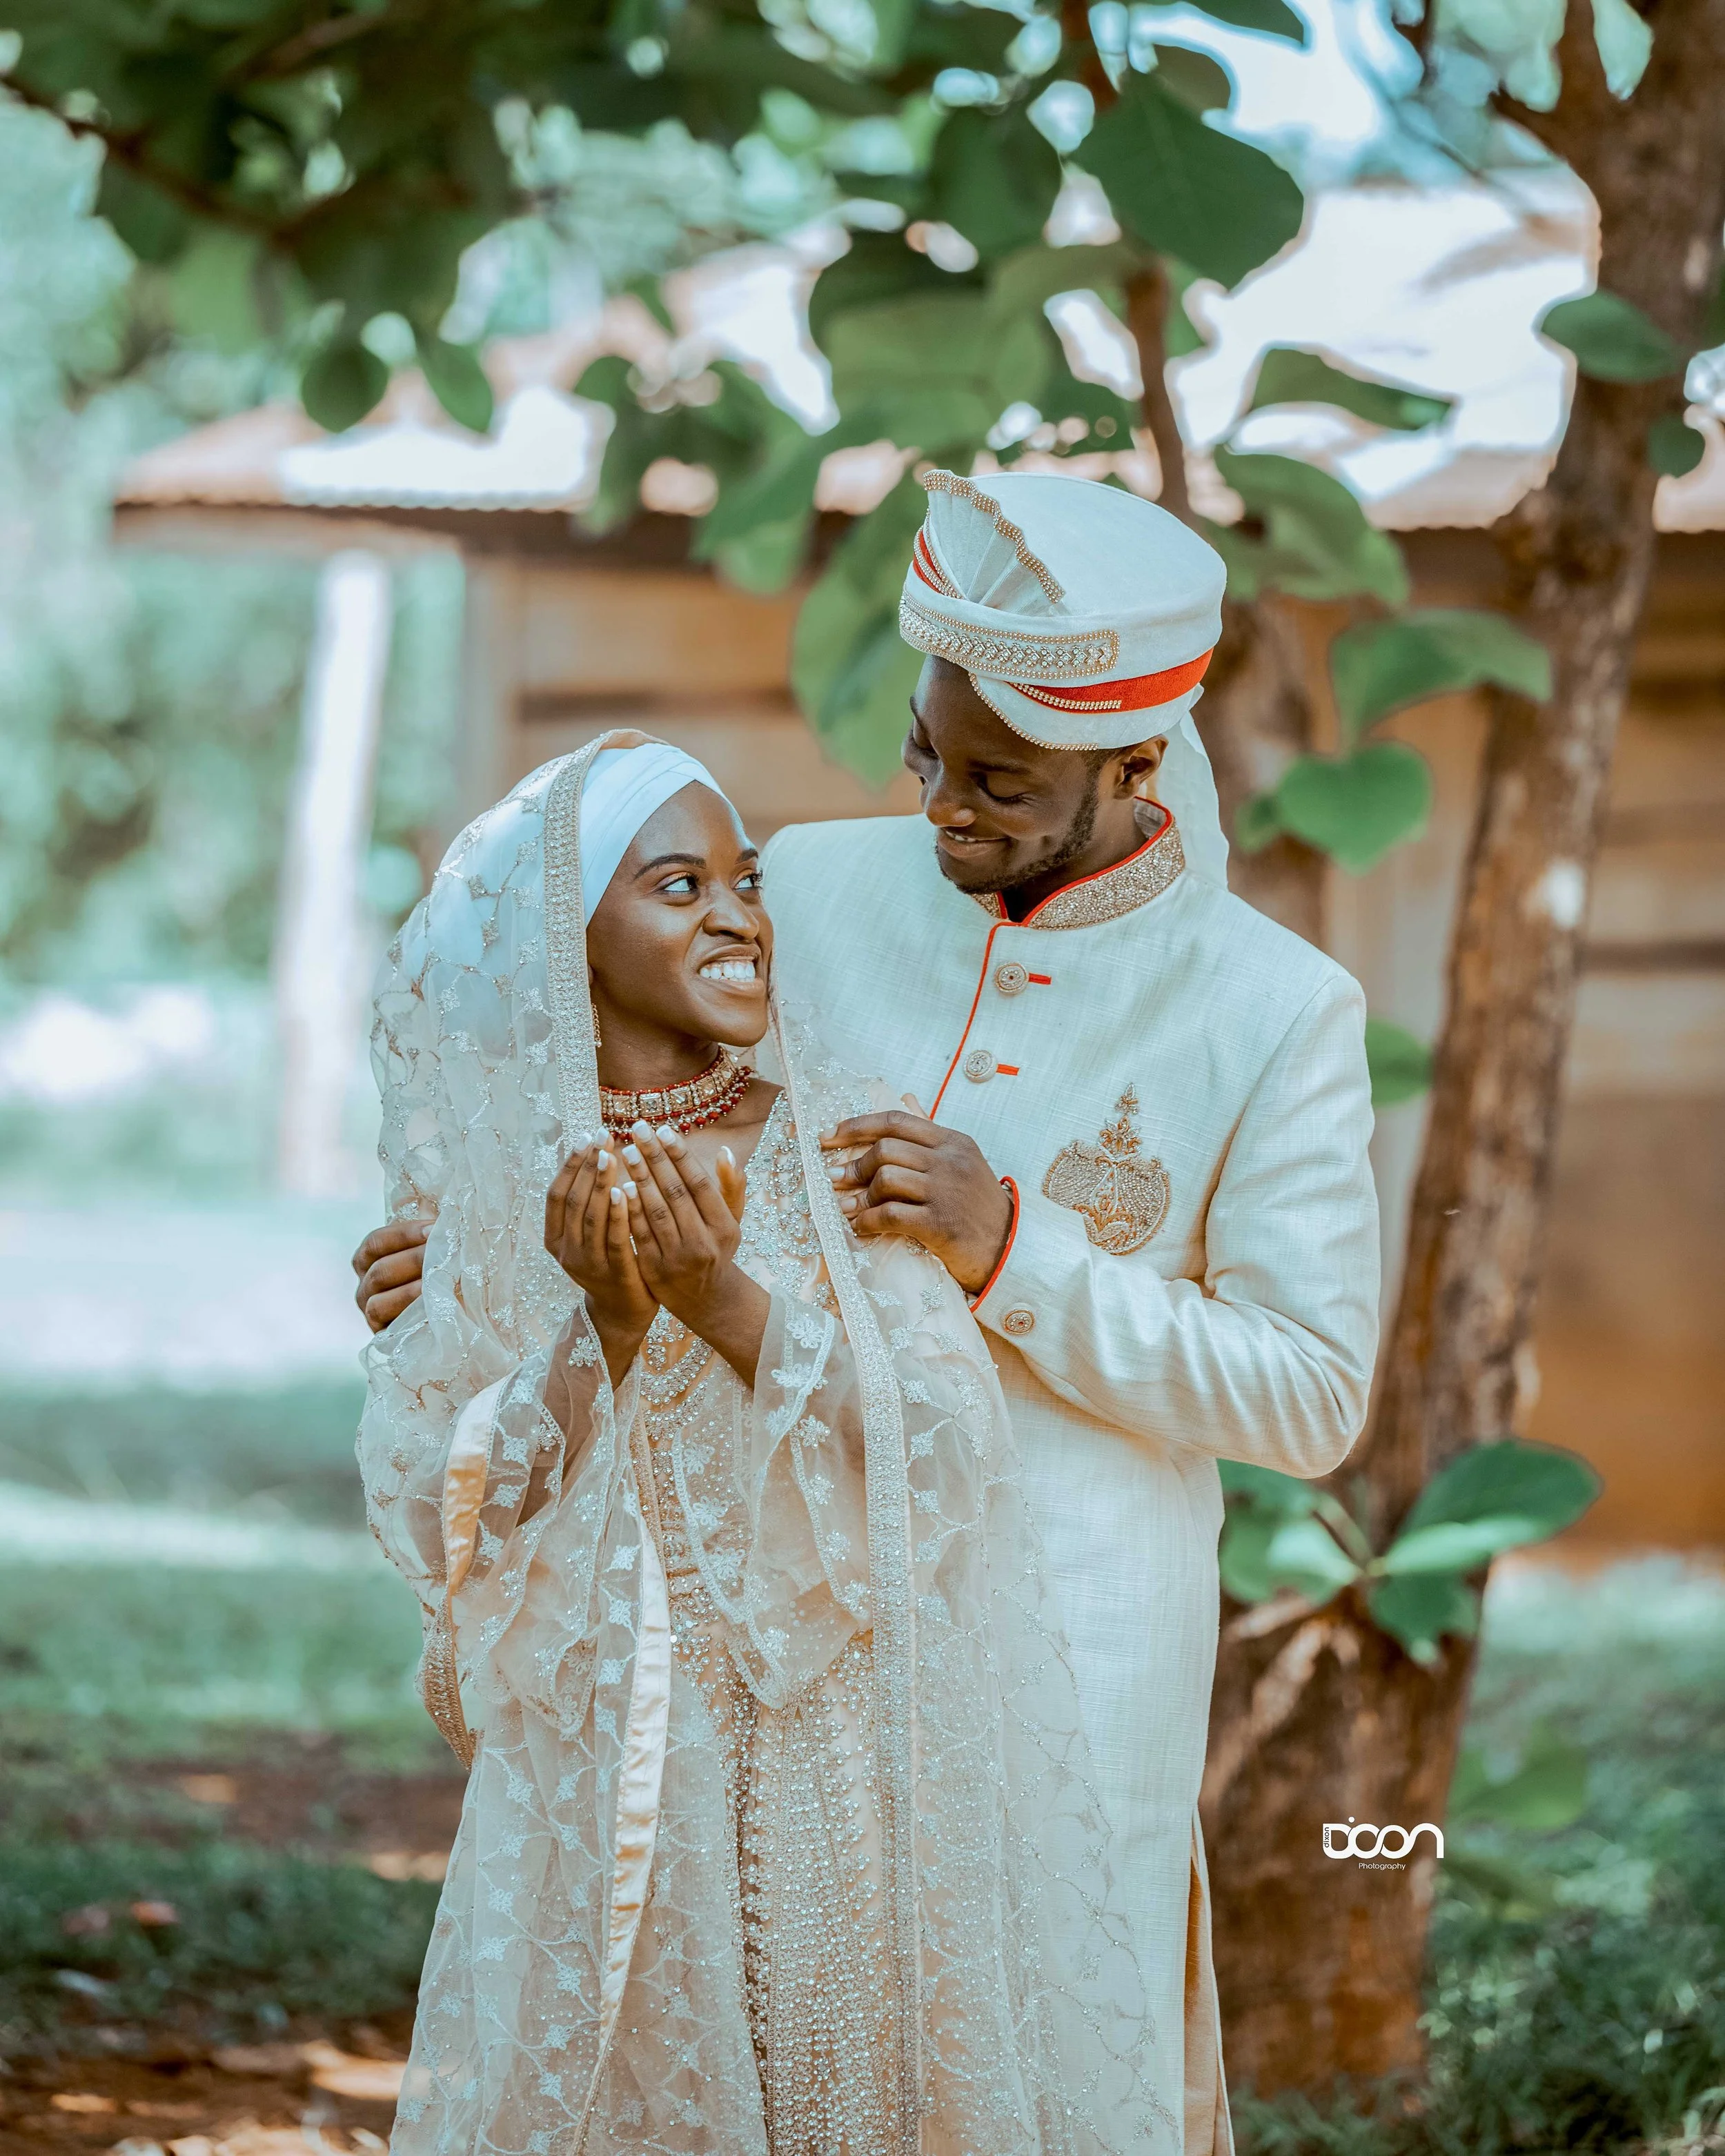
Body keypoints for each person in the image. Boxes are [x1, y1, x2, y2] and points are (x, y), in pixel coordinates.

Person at [356, 472, 1382, 2153]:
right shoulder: (813, 889)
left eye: (997, 781)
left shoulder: (1269, 1007)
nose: (942, 809)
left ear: (1134, 766)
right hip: (767, 1645)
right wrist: (452, 1247)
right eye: (925, 753)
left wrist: (1010, 1251)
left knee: (1033, 2080)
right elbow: (602, 1076)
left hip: (1069, 1631)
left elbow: (1311, 1392)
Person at [361, 733, 1174, 2155]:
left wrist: (718, 1300)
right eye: (680, 883)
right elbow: (456, 1523)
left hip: (831, 1753)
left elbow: (936, 1449)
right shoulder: (493, 1192)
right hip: (603, 1755)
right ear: (566, 930)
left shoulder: (828, 1155)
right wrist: (604, 1324)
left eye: (744, 880)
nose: (738, 912)